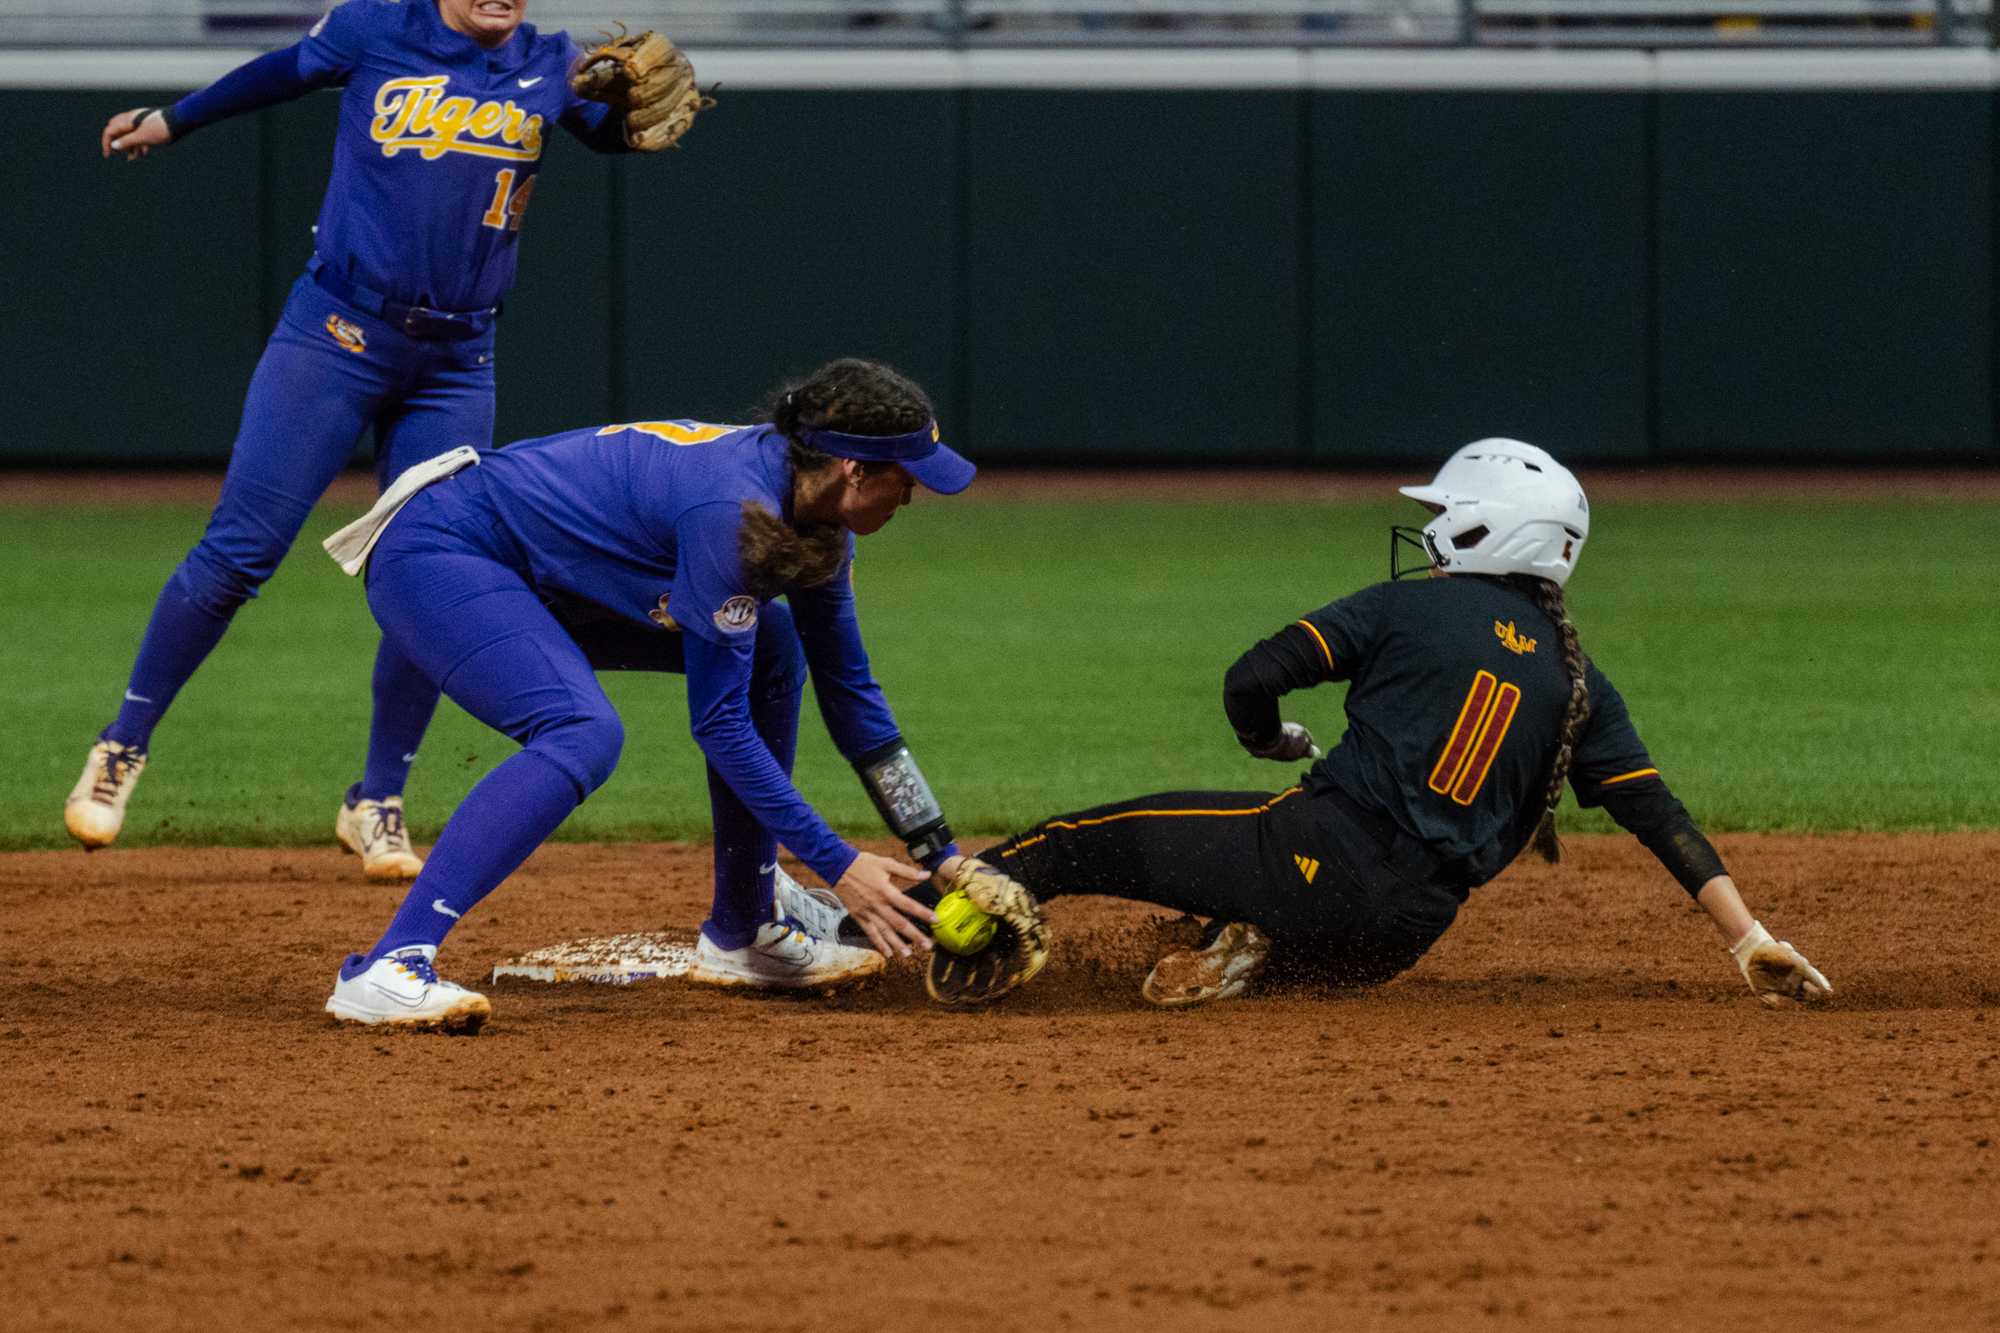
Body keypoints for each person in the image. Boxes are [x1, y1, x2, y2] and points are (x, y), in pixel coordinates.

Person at [66, 0, 692, 880]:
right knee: (241, 550)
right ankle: (122, 742)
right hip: (336, 335)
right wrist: (171, 121)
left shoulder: (553, 65)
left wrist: (632, 116)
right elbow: (279, 72)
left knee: (429, 566)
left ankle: (377, 799)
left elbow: (619, 128)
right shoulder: (376, 26)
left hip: (457, 357)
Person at [925, 439, 1833, 1011]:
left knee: (1091, 838)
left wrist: (1267, 738)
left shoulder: (1408, 610)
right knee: (1301, 943)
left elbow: (1252, 678)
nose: (1430, 529)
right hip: (1405, 932)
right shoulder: (1581, 679)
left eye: (1444, 513)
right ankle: (1249, 955)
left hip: (1317, 853)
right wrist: (1749, 938)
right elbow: (1658, 817)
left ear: (1486, 531)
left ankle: (934, 918)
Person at [322, 357, 972, 1032]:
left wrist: (941, 852)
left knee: (773, 646)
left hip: (545, 574)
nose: (911, 496)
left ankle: (742, 930)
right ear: (853, 470)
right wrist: (838, 862)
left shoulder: (815, 520)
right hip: (439, 549)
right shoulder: (735, 512)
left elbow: (852, 693)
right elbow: (720, 725)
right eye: (905, 478)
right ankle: (391, 964)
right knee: (582, 731)